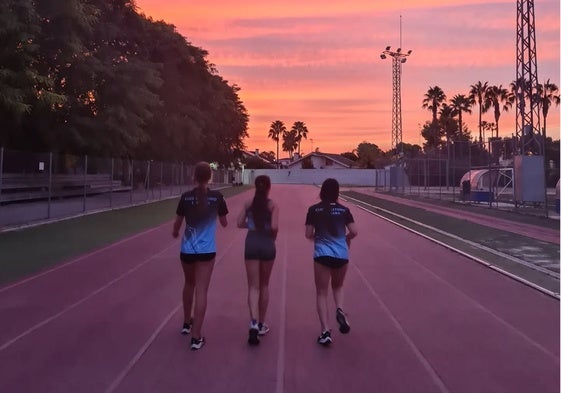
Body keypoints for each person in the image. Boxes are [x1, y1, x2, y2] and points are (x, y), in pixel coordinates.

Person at [172, 162, 228, 351]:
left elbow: (177, 224)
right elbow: (225, 222)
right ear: (210, 176)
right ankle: (196, 337)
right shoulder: (217, 197)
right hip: (206, 251)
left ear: (194, 176)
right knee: (201, 290)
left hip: (187, 249)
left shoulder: (186, 197)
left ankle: (187, 323)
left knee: (189, 284)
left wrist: (175, 232)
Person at [305, 178, 357, 346]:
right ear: (337, 192)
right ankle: (340, 310)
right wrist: (346, 238)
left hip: (322, 254)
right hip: (342, 255)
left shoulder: (314, 210)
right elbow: (354, 231)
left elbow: (308, 233)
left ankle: (325, 331)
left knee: (321, 292)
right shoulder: (344, 210)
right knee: (338, 287)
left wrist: (318, 237)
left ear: (322, 192)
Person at [237, 175, 278, 346]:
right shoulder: (273, 205)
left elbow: (239, 223)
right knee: (264, 285)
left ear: (255, 187)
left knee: (253, 286)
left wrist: (252, 225)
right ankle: (261, 324)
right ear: (269, 187)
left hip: (251, 244)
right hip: (267, 244)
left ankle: (253, 322)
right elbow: (275, 227)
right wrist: (271, 237)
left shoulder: (248, 204)